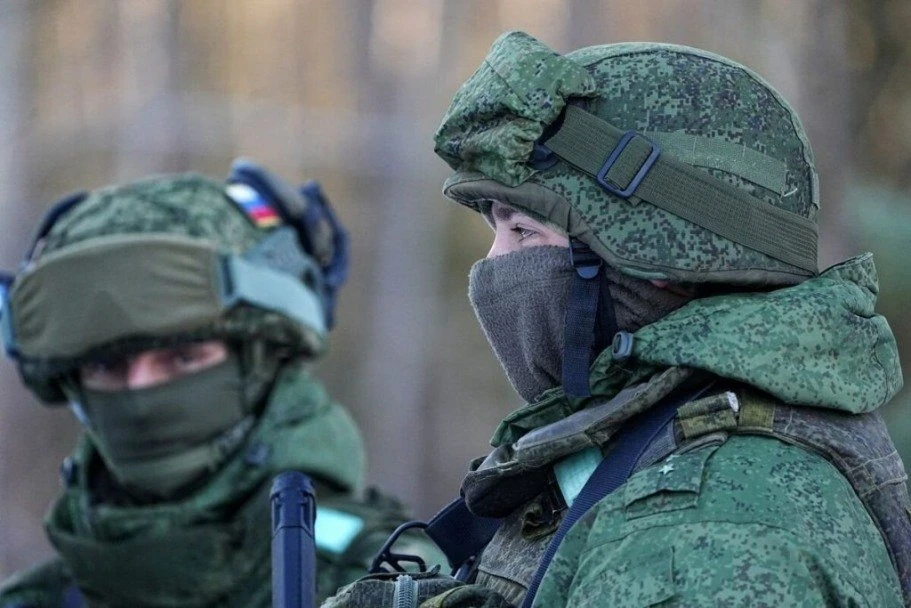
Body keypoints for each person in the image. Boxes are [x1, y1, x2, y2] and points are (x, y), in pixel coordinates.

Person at [328, 32, 909, 607]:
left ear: (661, 257)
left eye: (524, 231)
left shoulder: (700, 536)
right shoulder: (659, 447)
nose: (493, 265)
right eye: (497, 229)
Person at [0, 161, 440, 607]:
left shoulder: (397, 585)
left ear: (263, 359)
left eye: (183, 357)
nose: (141, 390)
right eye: (106, 366)